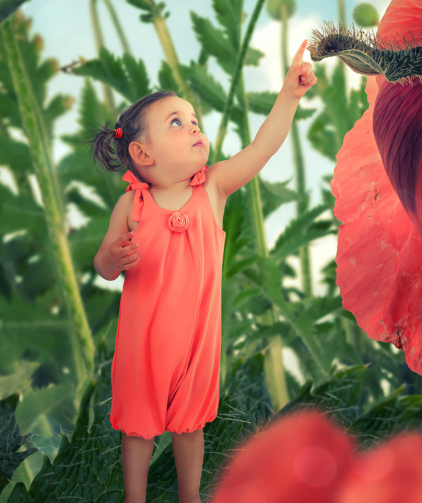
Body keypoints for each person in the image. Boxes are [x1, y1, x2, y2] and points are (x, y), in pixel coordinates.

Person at [89, 41, 316, 503]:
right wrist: (114, 256)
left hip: (195, 345)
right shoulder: (131, 206)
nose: (194, 127)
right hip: (142, 345)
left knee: (189, 425)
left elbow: (262, 148)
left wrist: (288, 97)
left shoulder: (212, 188)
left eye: (194, 121)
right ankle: (136, 497)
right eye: (177, 123)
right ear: (142, 154)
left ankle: (189, 496)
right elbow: (101, 266)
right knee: (138, 428)